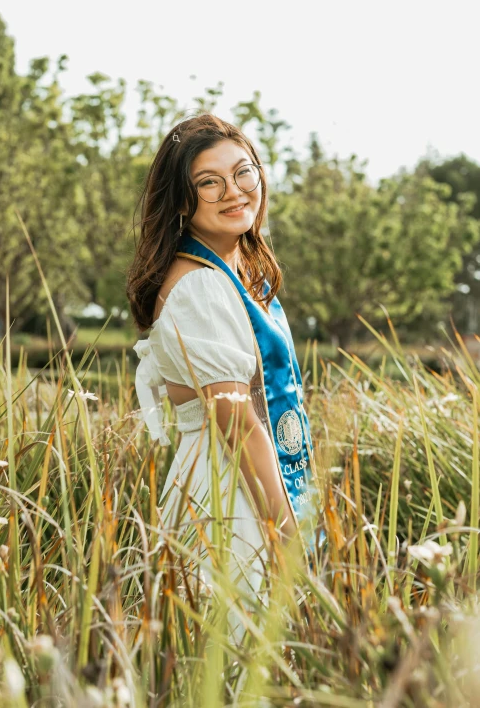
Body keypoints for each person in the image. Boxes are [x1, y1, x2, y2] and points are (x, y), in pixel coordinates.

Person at [126, 114, 323, 643]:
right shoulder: (199, 289)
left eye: (243, 173)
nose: (233, 191)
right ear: (182, 201)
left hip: (249, 480)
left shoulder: (234, 272)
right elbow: (235, 422)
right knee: (235, 655)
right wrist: (284, 532)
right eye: (209, 182)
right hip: (229, 496)